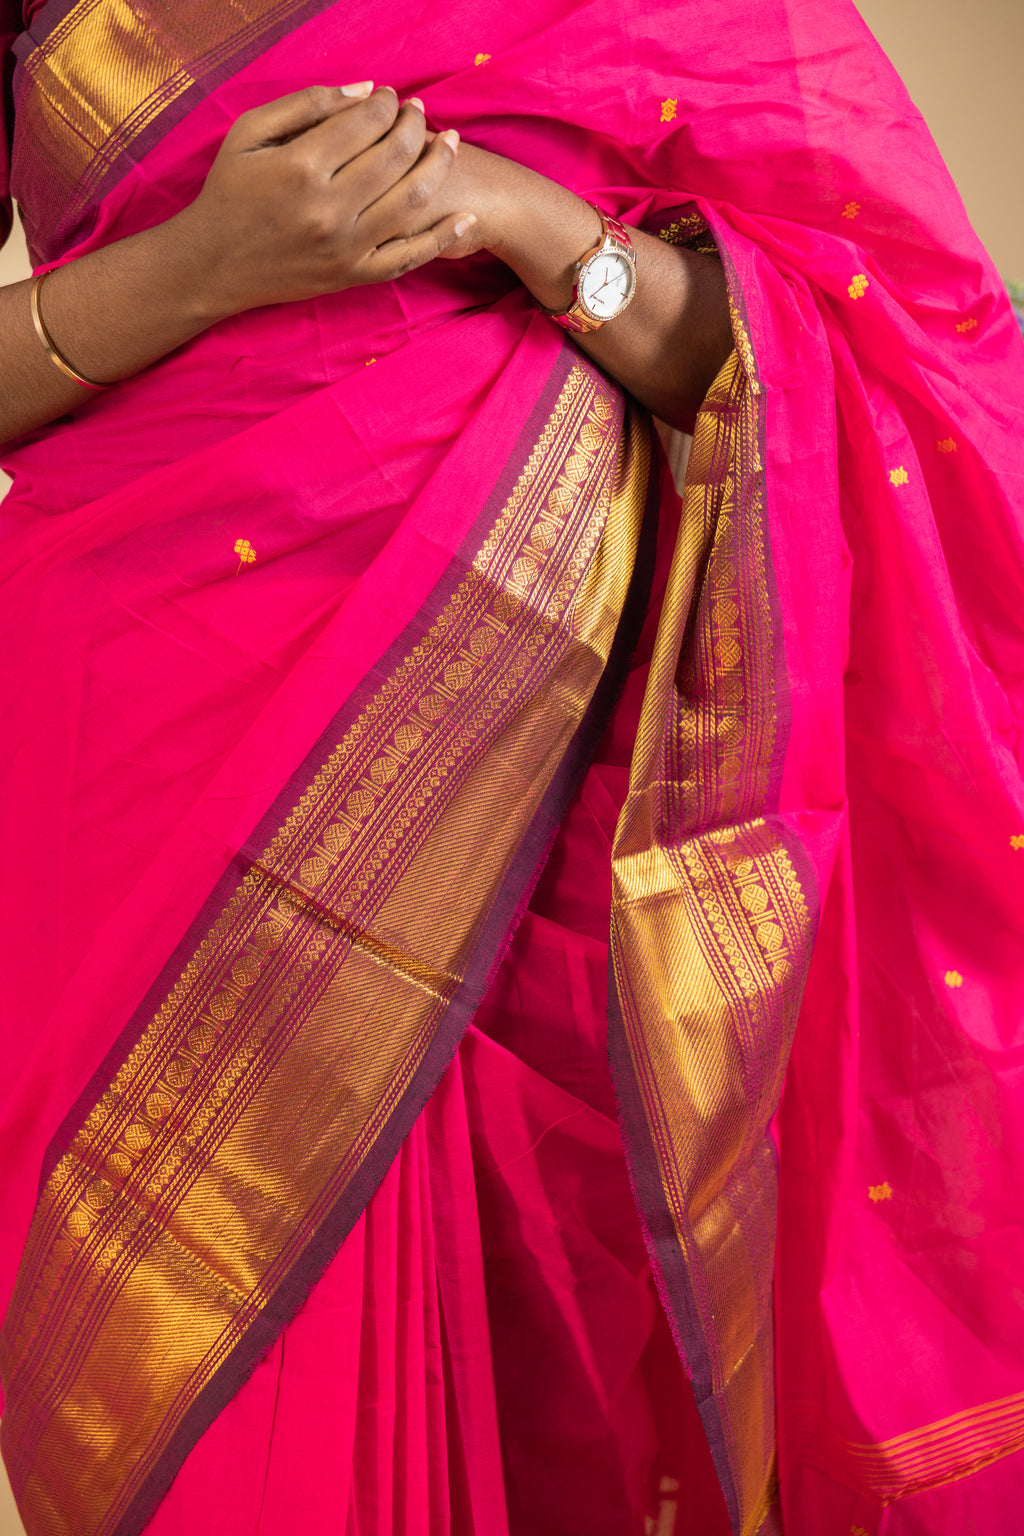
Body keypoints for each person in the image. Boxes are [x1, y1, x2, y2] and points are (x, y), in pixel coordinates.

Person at [1, 0, 1022, 1532]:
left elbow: (884, 355)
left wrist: (533, 223)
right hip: (149, 738)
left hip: (573, 800)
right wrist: (197, 269)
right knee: (203, 1382)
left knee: (569, 1385)